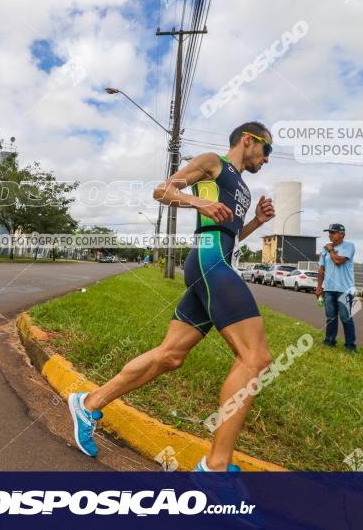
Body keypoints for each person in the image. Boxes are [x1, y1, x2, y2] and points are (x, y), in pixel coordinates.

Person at [67, 122, 276, 474]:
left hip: (218, 259)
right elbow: (163, 191)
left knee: (171, 356)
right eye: (267, 150)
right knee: (255, 358)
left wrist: (255, 222)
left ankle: (88, 403)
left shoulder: (242, 186)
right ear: (248, 140)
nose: (267, 159)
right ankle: (216, 468)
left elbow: (230, 232)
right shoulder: (213, 163)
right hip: (208, 260)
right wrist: (198, 202)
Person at [315, 223, 357, 352]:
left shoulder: (349, 246)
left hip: (345, 289)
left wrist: (331, 250)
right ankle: (329, 341)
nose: (330, 235)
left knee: (346, 318)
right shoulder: (325, 250)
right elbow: (321, 269)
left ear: (342, 234)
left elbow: (338, 261)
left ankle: (350, 346)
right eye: (329, 232)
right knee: (330, 318)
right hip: (329, 289)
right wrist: (319, 287)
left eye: (333, 232)